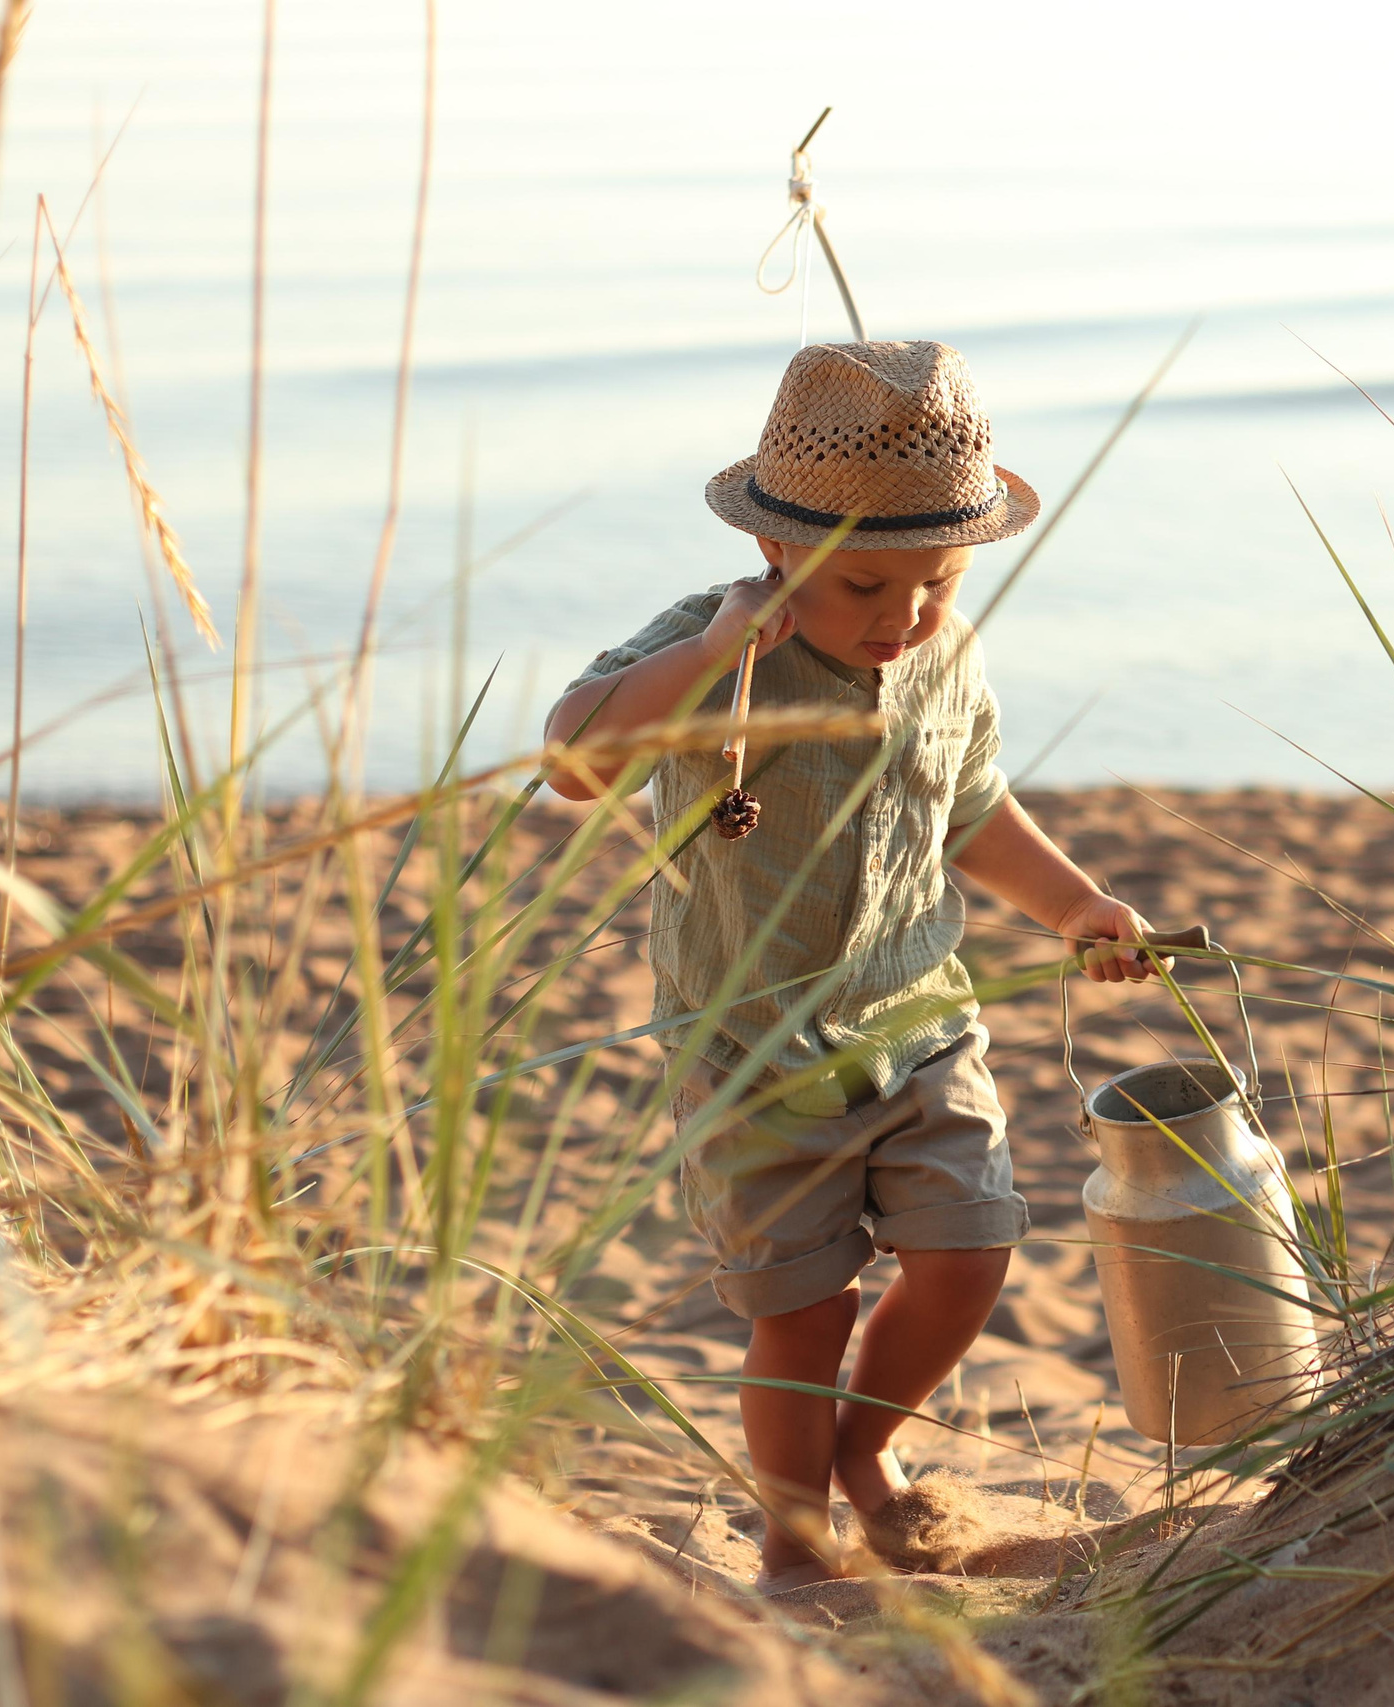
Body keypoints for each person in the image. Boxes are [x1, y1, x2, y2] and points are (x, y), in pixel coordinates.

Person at [543, 339, 1154, 1589]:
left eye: (937, 580)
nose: (902, 616)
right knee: (802, 1310)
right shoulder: (713, 649)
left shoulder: (945, 652)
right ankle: (792, 1541)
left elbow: (969, 808)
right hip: (750, 1048)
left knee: (968, 1257)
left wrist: (1074, 904)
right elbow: (571, 757)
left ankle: (865, 1449)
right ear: (775, 548)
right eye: (865, 583)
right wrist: (712, 656)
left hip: (918, 1021)